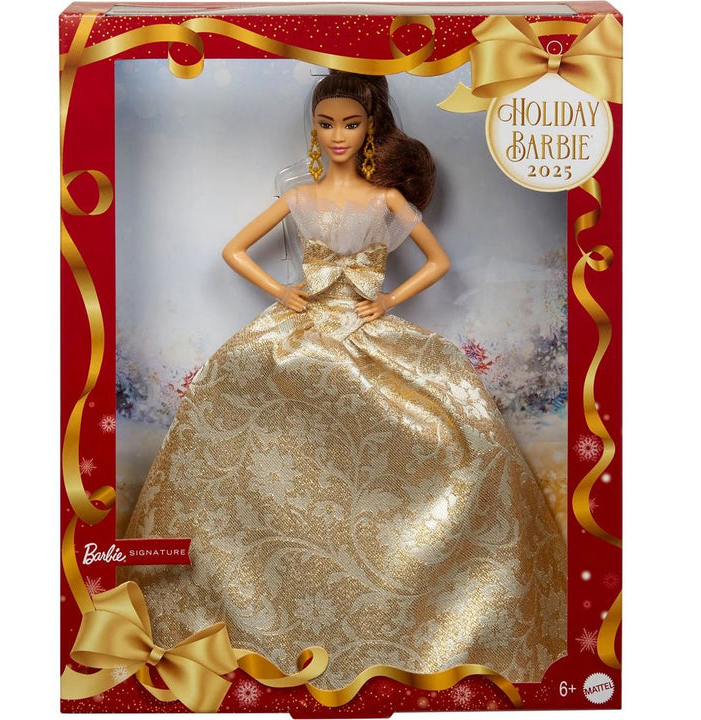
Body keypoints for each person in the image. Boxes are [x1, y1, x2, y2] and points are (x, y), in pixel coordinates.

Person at [122, 71, 566, 690]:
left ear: (370, 129)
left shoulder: (386, 201)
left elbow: (438, 261)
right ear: (314, 126)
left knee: (442, 436)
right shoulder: (300, 198)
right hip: (301, 331)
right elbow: (234, 250)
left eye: (351, 124)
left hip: (363, 329)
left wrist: (387, 301)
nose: (337, 135)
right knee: (249, 408)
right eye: (326, 123)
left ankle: (406, 585)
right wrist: (282, 292)